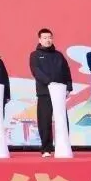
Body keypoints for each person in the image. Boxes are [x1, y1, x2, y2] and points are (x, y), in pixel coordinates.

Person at [28, 28, 73, 158]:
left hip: (60, 92)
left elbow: (66, 71)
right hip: (45, 92)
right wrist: (49, 82)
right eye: (45, 38)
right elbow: (36, 71)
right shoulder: (35, 55)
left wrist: (68, 87)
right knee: (44, 120)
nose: (48, 40)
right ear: (40, 39)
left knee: (62, 119)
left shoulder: (58, 55)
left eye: (49, 37)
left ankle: (63, 145)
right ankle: (46, 148)